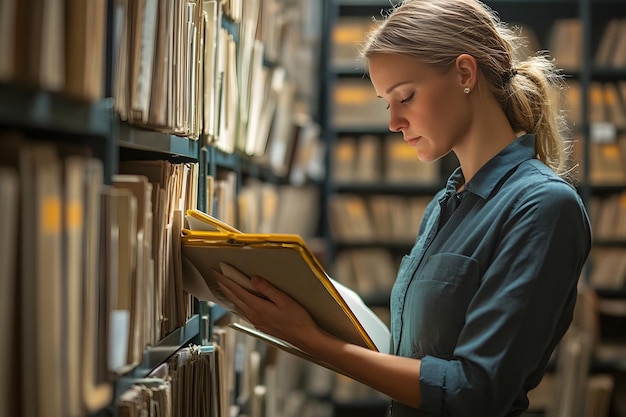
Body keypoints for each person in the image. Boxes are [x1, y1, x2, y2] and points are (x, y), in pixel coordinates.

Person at [214, 0, 592, 415]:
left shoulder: (542, 206)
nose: (393, 122)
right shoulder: (445, 205)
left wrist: (314, 341)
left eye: (406, 97)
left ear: (465, 74)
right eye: (385, 103)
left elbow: (475, 392)